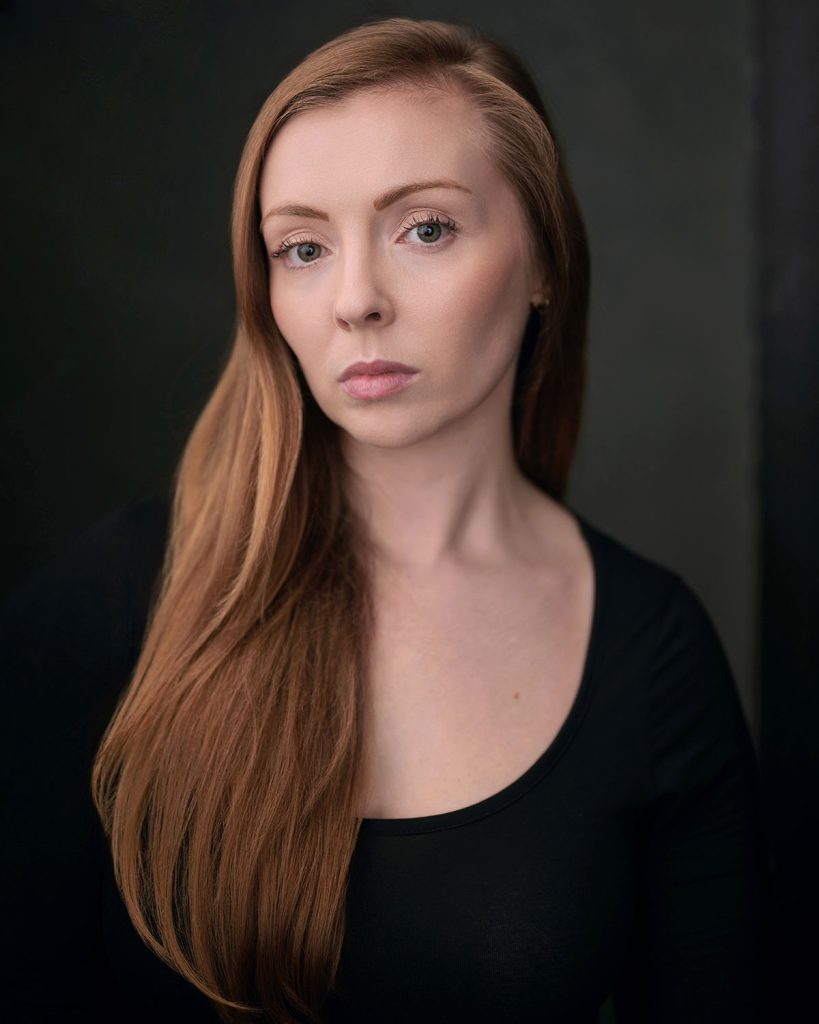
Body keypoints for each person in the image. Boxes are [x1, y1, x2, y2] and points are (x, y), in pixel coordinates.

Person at [1, 15, 768, 1024]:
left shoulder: (652, 649)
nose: (357, 299)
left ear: (542, 262)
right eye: (304, 246)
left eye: (426, 228)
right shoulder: (114, 603)